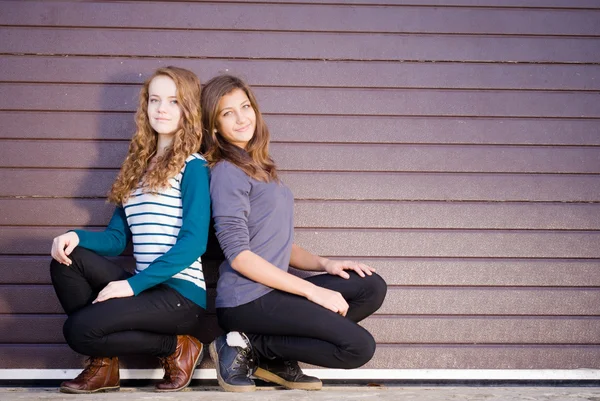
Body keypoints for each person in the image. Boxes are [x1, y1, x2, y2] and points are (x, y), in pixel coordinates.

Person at [200, 74, 387, 393]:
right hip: (247, 299)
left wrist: (325, 264)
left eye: (245, 107)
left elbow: (276, 242)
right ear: (214, 125)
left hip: (272, 291)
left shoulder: (260, 168)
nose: (242, 117)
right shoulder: (226, 172)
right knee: (358, 348)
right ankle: (244, 345)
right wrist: (312, 291)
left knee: (369, 286)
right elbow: (241, 257)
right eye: (227, 112)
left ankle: (271, 355)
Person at [49, 66, 210, 394]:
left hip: (180, 295)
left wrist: (132, 286)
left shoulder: (194, 167)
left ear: (189, 109)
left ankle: (178, 346)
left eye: (174, 101)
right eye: (154, 100)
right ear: (145, 106)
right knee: (67, 259)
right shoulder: (136, 167)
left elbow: (194, 243)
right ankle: (104, 368)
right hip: (145, 289)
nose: (162, 108)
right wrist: (76, 236)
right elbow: (116, 238)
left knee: (78, 331)